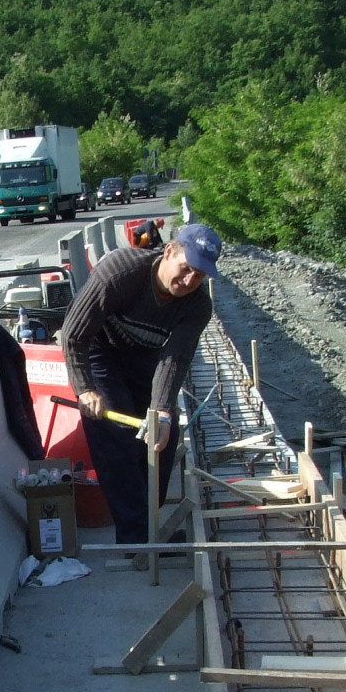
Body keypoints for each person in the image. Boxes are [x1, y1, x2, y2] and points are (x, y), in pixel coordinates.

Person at [61, 222, 221, 546]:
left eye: (199, 276)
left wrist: (162, 412)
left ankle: (147, 519)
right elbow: (73, 335)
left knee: (163, 434)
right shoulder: (120, 273)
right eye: (185, 268)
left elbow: (175, 359)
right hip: (99, 350)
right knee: (115, 430)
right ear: (168, 252)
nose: (189, 281)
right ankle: (136, 539)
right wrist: (86, 389)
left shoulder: (198, 305)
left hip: (145, 356)